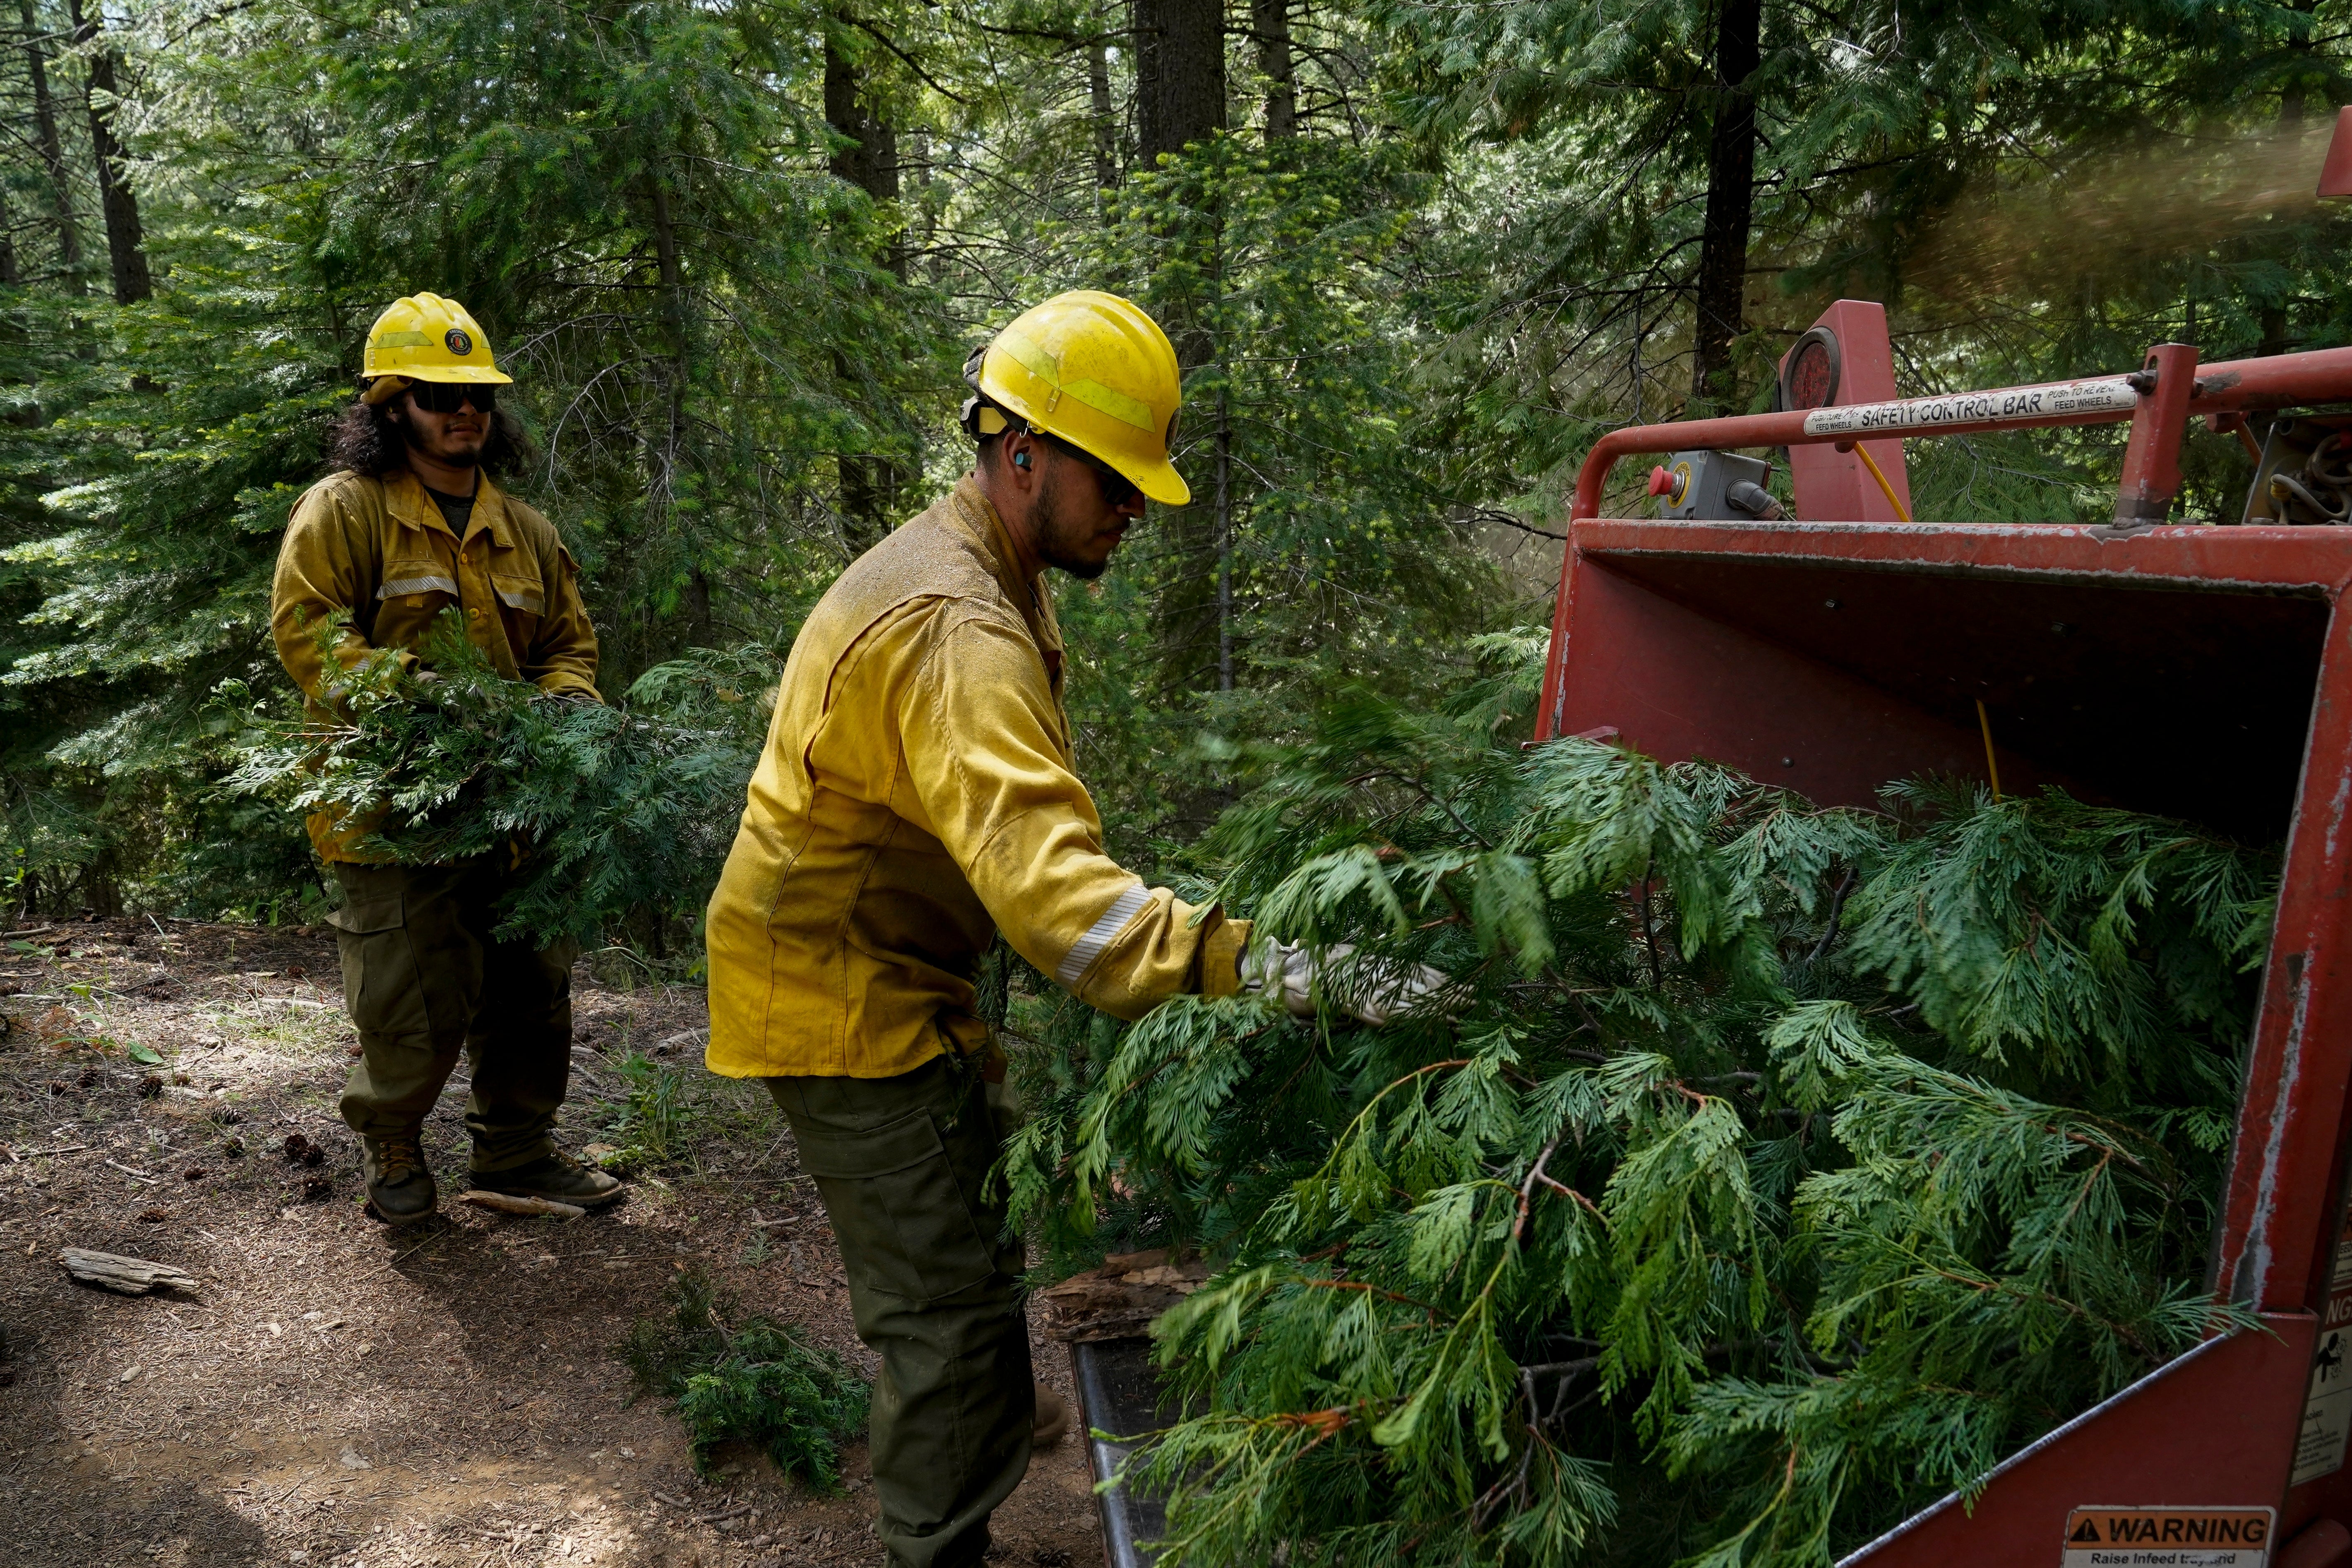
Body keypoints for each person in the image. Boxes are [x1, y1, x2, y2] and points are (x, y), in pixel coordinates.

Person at [702, 290, 1252, 1568]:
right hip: (834, 987)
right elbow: (1067, 914)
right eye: (1114, 482)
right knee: (940, 1308)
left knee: (970, 1219)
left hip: (894, 961)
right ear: (1021, 455)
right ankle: (938, 1533)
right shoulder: (958, 625)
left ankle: (987, 1423)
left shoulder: (991, 562)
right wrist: (1250, 959)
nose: (1132, 510)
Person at [269, 292, 623, 1227]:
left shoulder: (527, 529)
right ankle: (393, 1143)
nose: (464, 412)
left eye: (478, 396)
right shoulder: (344, 511)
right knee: (411, 1003)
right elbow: (307, 632)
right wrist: (426, 699)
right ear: (392, 404)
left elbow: (569, 649)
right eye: (437, 393)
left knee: (531, 986)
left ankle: (516, 1152)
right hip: (389, 810)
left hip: (515, 806)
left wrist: (564, 715)